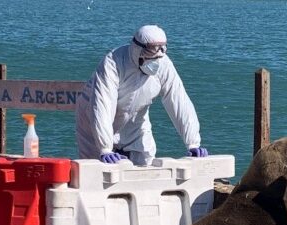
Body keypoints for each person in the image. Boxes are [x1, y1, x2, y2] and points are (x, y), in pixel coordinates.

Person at [76, 25, 208, 165]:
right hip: (93, 120)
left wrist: (193, 143)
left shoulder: (163, 64)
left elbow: (179, 101)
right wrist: (105, 148)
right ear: (137, 49)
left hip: (136, 119)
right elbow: (102, 105)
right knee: (97, 169)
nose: (155, 59)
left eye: (160, 50)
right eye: (151, 52)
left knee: (146, 163)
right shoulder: (113, 63)